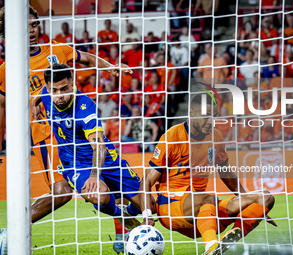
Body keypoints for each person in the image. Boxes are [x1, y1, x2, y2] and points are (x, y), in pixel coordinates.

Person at [0, 6, 132, 253]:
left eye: (33, 24)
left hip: (78, 129)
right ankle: (10, 234)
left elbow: (87, 58)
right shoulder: (9, 68)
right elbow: (2, 106)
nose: (30, 30)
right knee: (61, 191)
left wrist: (110, 66)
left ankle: (123, 232)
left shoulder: (56, 50)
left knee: (109, 174)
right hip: (47, 137)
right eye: (24, 26)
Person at [31, 64, 154, 246]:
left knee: (148, 202)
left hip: (107, 159)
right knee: (101, 195)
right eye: (54, 90)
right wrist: (34, 103)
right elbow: (41, 93)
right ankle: (124, 219)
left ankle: (129, 213)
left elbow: (99, 147)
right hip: (75, 163)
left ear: (73, 83)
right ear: (49, 88)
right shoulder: (48, 94)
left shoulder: (86, 108)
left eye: (64, 89)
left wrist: (95, 175)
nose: (60, 95)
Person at [139, 94, 276, 255]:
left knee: (265, 197)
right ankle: (211, 247)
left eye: (214, 117)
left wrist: (247, 204)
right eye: (205, 117)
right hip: (171, 208)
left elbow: (225, 172)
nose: (211, 122)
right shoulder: (172, 137)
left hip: (205, 213)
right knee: (208, 198)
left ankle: (225, 240)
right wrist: (147, 215)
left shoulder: (216, 136)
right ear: (191, 113)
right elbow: (146, 180)